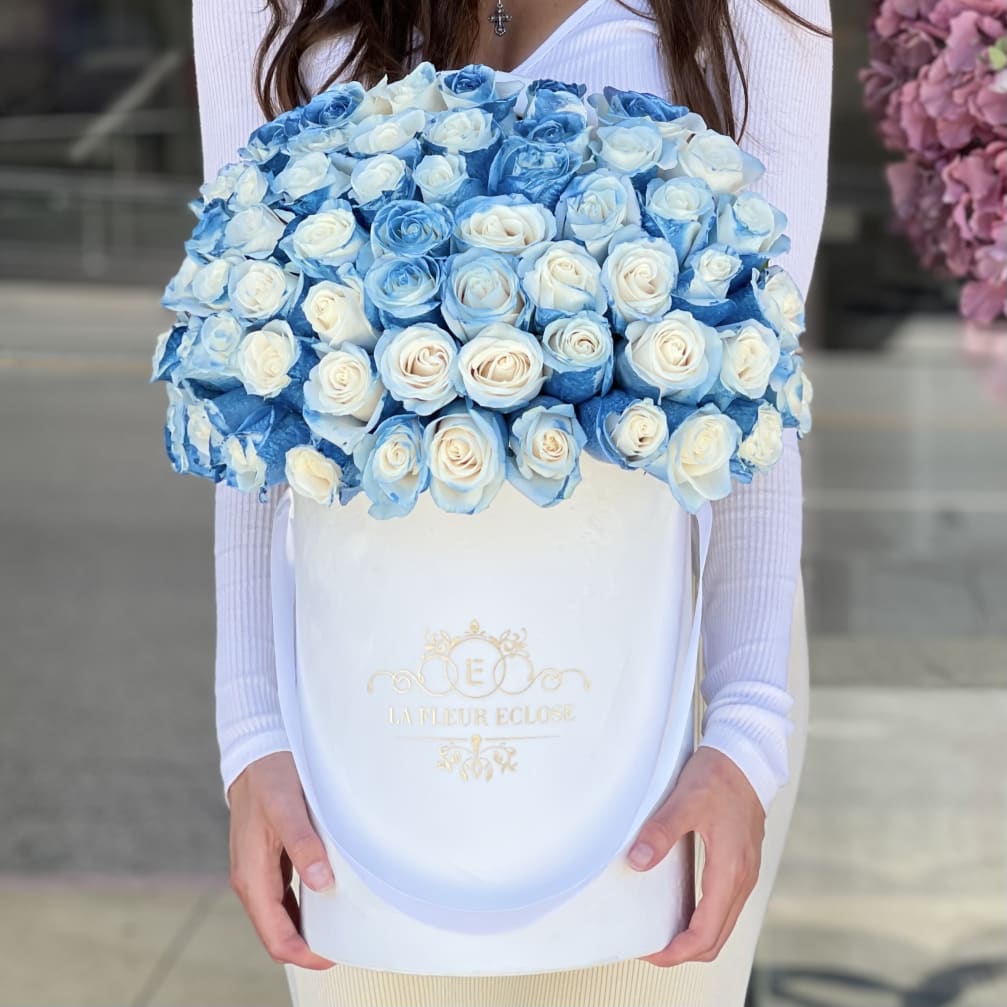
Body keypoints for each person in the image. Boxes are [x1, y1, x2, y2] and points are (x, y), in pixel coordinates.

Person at [195, 1, 831, 1003]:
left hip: (669, 692)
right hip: (363, 687)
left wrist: (744, 731)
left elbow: (757, 375)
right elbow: (245, 361)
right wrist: (253, 735)